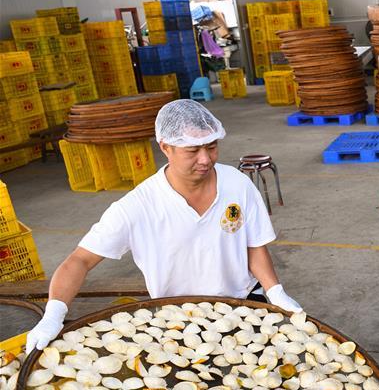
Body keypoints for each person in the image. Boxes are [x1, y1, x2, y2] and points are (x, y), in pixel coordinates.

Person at [25, 99, 302, 354]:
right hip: (178, 320)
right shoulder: (138, 207)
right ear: (165, 147)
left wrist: (275, 291)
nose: (205, 159)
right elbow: (80, 260)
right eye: (192, 150)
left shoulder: (238, 185)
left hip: (242, 303)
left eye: (212, 146)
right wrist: (54, 314)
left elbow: (253, 246)